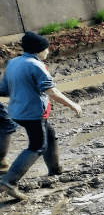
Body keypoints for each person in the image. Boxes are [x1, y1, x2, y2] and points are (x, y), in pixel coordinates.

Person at [0, 31, 82, 201]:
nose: (48, 51)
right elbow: (52, 91)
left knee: (49, 135)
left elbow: (4, 90)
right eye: (46, 48)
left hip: (17, 111)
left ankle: (55, 169)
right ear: (39, 49)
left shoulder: (13, 62)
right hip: (32, 114)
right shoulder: (36, 66)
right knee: (38, 145)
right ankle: (9, 181)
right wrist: (73, 105)